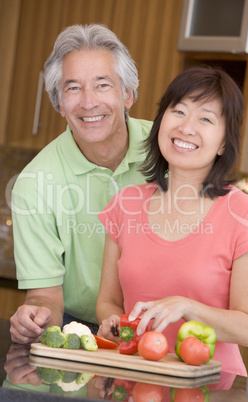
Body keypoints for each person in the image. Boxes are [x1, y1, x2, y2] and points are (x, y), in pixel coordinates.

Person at [96, 66, 248, 376]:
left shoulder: (246, 214)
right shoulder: (126, 203)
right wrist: (112, 322)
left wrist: (187, 307)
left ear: (224, 143)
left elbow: (247, 328)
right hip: (134, 381)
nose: (186, 128)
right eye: (178, 112)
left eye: (205, 119)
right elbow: (109, 300)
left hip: (213, 388)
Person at [9, 23, 152, 344]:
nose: (88, 102)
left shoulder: (169, 149)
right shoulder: (33, 184)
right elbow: (45, 296)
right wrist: (35, 315)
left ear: (127, 95)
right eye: (73, 88)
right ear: (59, 103)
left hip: (164, 323)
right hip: (83, 328)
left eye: (102, 85)